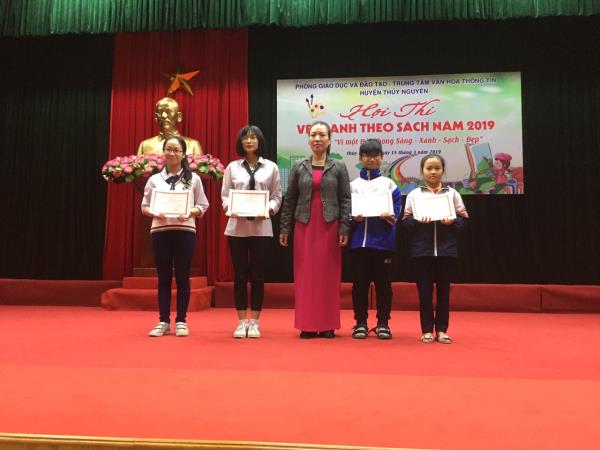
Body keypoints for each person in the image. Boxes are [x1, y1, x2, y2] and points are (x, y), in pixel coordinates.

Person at [279, 121, 351, 338]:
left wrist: (344, 228)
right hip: (305, 226)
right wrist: (285, 228)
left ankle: (327, 324)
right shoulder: (298, 166)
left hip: (330, 226)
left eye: (321, 135)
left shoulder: (339, 166)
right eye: (313, 135)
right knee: (306, 276)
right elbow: (290, 199)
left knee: (328, 276)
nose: (317, 139)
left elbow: (345, 199)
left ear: (329, 139)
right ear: (308, 139)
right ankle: (307, 324)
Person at [141, 135, 209, 337]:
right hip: (160, 232)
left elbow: (203, 205)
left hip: (185, 231)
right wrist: (154, 212)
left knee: (182, 276)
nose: (172, 153)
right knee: (163, 277)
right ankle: (163, 320)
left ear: (183, 154)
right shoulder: (154, 180)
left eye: (176, 150)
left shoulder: (193, 179)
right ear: (163, 152)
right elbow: (144, 206)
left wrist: (190, 212)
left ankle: (181, 320)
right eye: (168, 149)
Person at [221, 125, 282, 338]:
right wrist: (231, 208)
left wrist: (269, 210)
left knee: (257, 275)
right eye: (245, 138)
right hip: (237, 228)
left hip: (261, 228)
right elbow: (225, 195)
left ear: (259, 141)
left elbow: (277, 196)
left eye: (253, 138)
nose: (249, 141)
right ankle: (241, 322)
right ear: (240, 142)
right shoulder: (232, 167)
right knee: (239, 275)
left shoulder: (271, 167)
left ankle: (254, 321)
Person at [402, 155, 468, 344]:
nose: (433, 172)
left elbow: (463, 222)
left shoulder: (452, 194)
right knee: (424, 294)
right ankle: (426, 330)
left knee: (444, 293)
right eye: (429, 168)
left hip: (446, 252)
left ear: (443, 170)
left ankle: (441, 330)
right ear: (422, 171)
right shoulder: (414, 195)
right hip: (422, 252)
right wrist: (417, 221)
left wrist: (452, 222)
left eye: (437, 168)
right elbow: (405, 224)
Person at [349, 139, 402, 339]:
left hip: (383, 244)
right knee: (359, 285)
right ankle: (360, 323)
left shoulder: (389, 184)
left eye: (375, 155)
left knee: (383, 286)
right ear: (360, 158)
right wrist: (353, 218)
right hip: (359, 244)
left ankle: (383, 323)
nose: (371, 159)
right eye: (367, 156)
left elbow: (397, 210)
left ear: (381, 158)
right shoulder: (353, 186)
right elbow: (346, 212)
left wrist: (390, 215)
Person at [137, 97, 202, 155]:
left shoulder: (193, 145)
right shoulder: (145, 146)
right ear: (156, 117)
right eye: (160, 112)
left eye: (168, 112)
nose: (163, 116)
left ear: (179, 116)